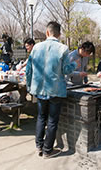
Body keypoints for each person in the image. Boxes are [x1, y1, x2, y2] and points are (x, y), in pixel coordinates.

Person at [26, 21, 77, 158]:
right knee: (52, 120)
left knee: (41, 117)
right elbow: (66, 70)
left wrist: (30, 87)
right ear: (59, 34)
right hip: (55, 90)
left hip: (39, 89)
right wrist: (73, 64)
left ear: (47, 32)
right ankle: (48, 150)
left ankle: (39, 145)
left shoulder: (36, 47)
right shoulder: (63, 48)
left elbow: (28, 69)